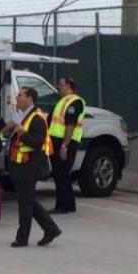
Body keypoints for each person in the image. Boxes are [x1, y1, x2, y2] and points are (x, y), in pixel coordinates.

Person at [9, 87, 61, 248]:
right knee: (28, 201)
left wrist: (23, 133)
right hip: (21, 166)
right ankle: (51, 229)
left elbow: (38, 142)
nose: (17, 98)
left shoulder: (37, 118)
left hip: (29, 167)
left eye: (20, 95)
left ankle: (22, 237)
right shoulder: (25, 115)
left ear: (30, 98)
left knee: (25, 204)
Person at [48, 77, 85, 214]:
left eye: (61, 85)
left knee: (61, 174)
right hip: (58, 141)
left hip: (66, 142)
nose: (58, 87)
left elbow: (70, 125)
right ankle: (69, 204)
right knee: (61, 174)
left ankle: (62, 206)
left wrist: (65, 146)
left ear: (69, 86)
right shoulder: (62, 101)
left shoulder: (74, 102)